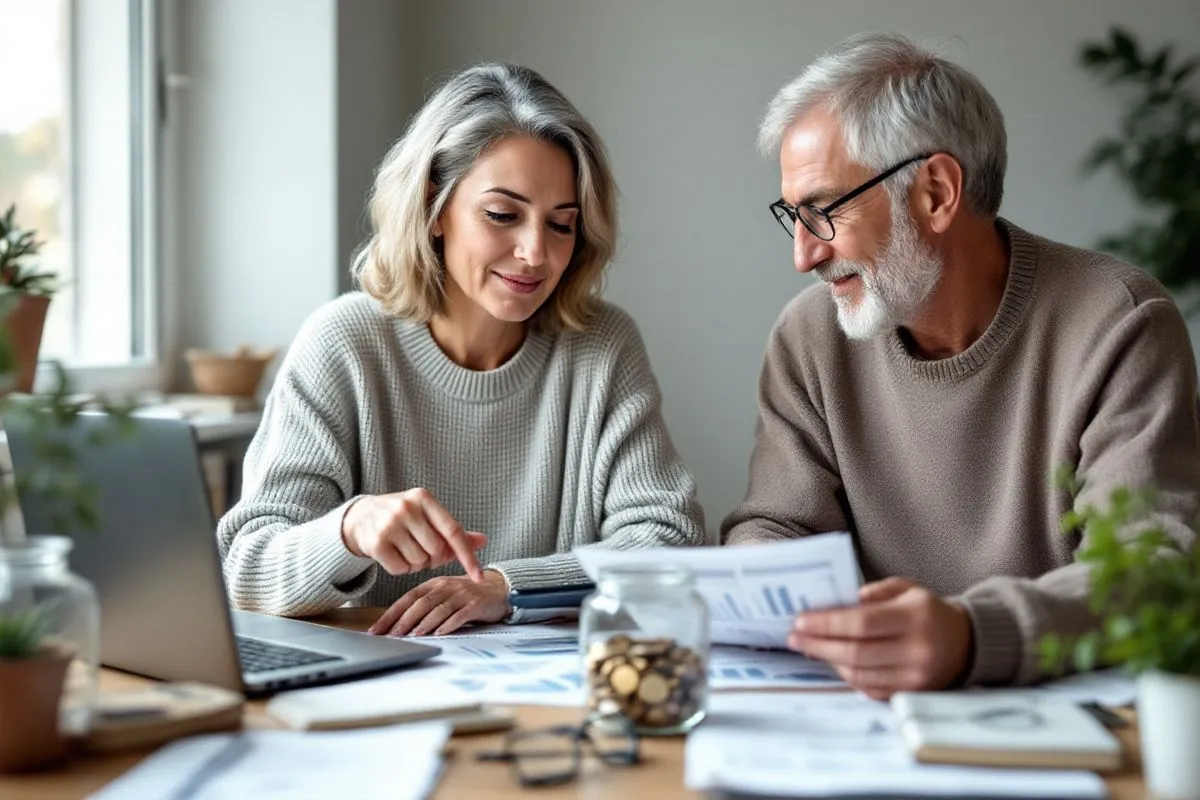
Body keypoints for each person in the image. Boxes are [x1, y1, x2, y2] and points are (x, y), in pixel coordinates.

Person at [723, 32, 1200, 698]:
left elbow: (1149, 568)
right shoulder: (810, 335)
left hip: (1066, 714)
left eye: (824, 210)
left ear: (937, 192)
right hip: (865, 710)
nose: (803, 255)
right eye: (793, 216)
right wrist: (771, 577)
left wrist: (972, 635)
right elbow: (778, 523)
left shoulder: (1119, 322)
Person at [218, 63, 705, 637]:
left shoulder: (602, 347)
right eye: (503, 215)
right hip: (381, 680)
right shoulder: (343, 343)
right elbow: (246, 572)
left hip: (546, 683)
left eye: (561, 225)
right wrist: (348, 529)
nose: (535, 253)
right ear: (434, 207)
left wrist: (506, 587)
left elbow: (670, 541)